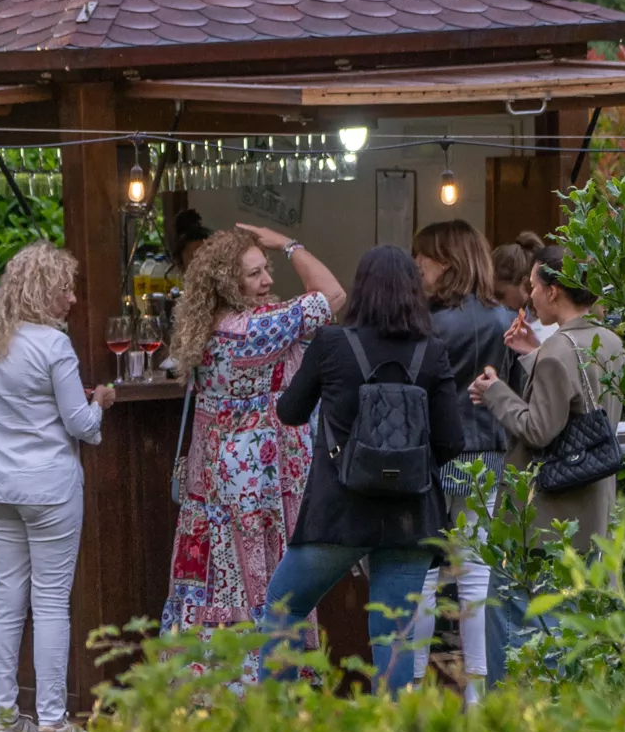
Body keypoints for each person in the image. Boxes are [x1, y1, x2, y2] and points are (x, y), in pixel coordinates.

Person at [258, 245, 466, 691]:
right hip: (411, 515)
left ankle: (273, 723)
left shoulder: (332, 343)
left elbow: (291, 412)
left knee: (284, 604)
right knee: (392, 634)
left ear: (361, 289)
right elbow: (453, 442)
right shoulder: (432, 352)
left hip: (338, 511)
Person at [161, 224, 347, 636]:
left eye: (267, 269)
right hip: (256, 483)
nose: (266, 281)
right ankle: (260, 676)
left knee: (210, 576)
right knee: (265, 580)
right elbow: (333, 294)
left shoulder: (207, 327)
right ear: (229, 283)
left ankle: (207, 672)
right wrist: (287, 243)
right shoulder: (255, 330)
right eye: (254, 274)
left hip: (209, 480)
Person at [0, 241, 114, 732]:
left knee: (5, 601)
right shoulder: (53, 346)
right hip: (49, 487)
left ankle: (4, 723)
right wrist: (102, 404)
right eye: (65, 289)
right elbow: (80, 424)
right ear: (43, 291)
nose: (73, 299)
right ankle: (52, 724)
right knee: (51, 603)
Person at [406, 220, 513, 702]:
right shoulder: (501, 319)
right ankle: (477, 694)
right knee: (475, 571)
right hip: (487, 451)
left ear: (445, 262)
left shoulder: (426, 323)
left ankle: (409, 685)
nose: (417, 267)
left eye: (422, 259)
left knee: (422, 569)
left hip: (437, 454)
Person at [473, 242, 625, 551]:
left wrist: (495, 392)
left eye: (533, 286)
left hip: (554, 515)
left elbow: (538, 430)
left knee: (519, 599)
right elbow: (580, 398)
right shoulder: (610, 341)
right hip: (595, 503)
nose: (530, 296)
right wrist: (535, 353)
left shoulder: (558, 349)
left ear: (553, 291)